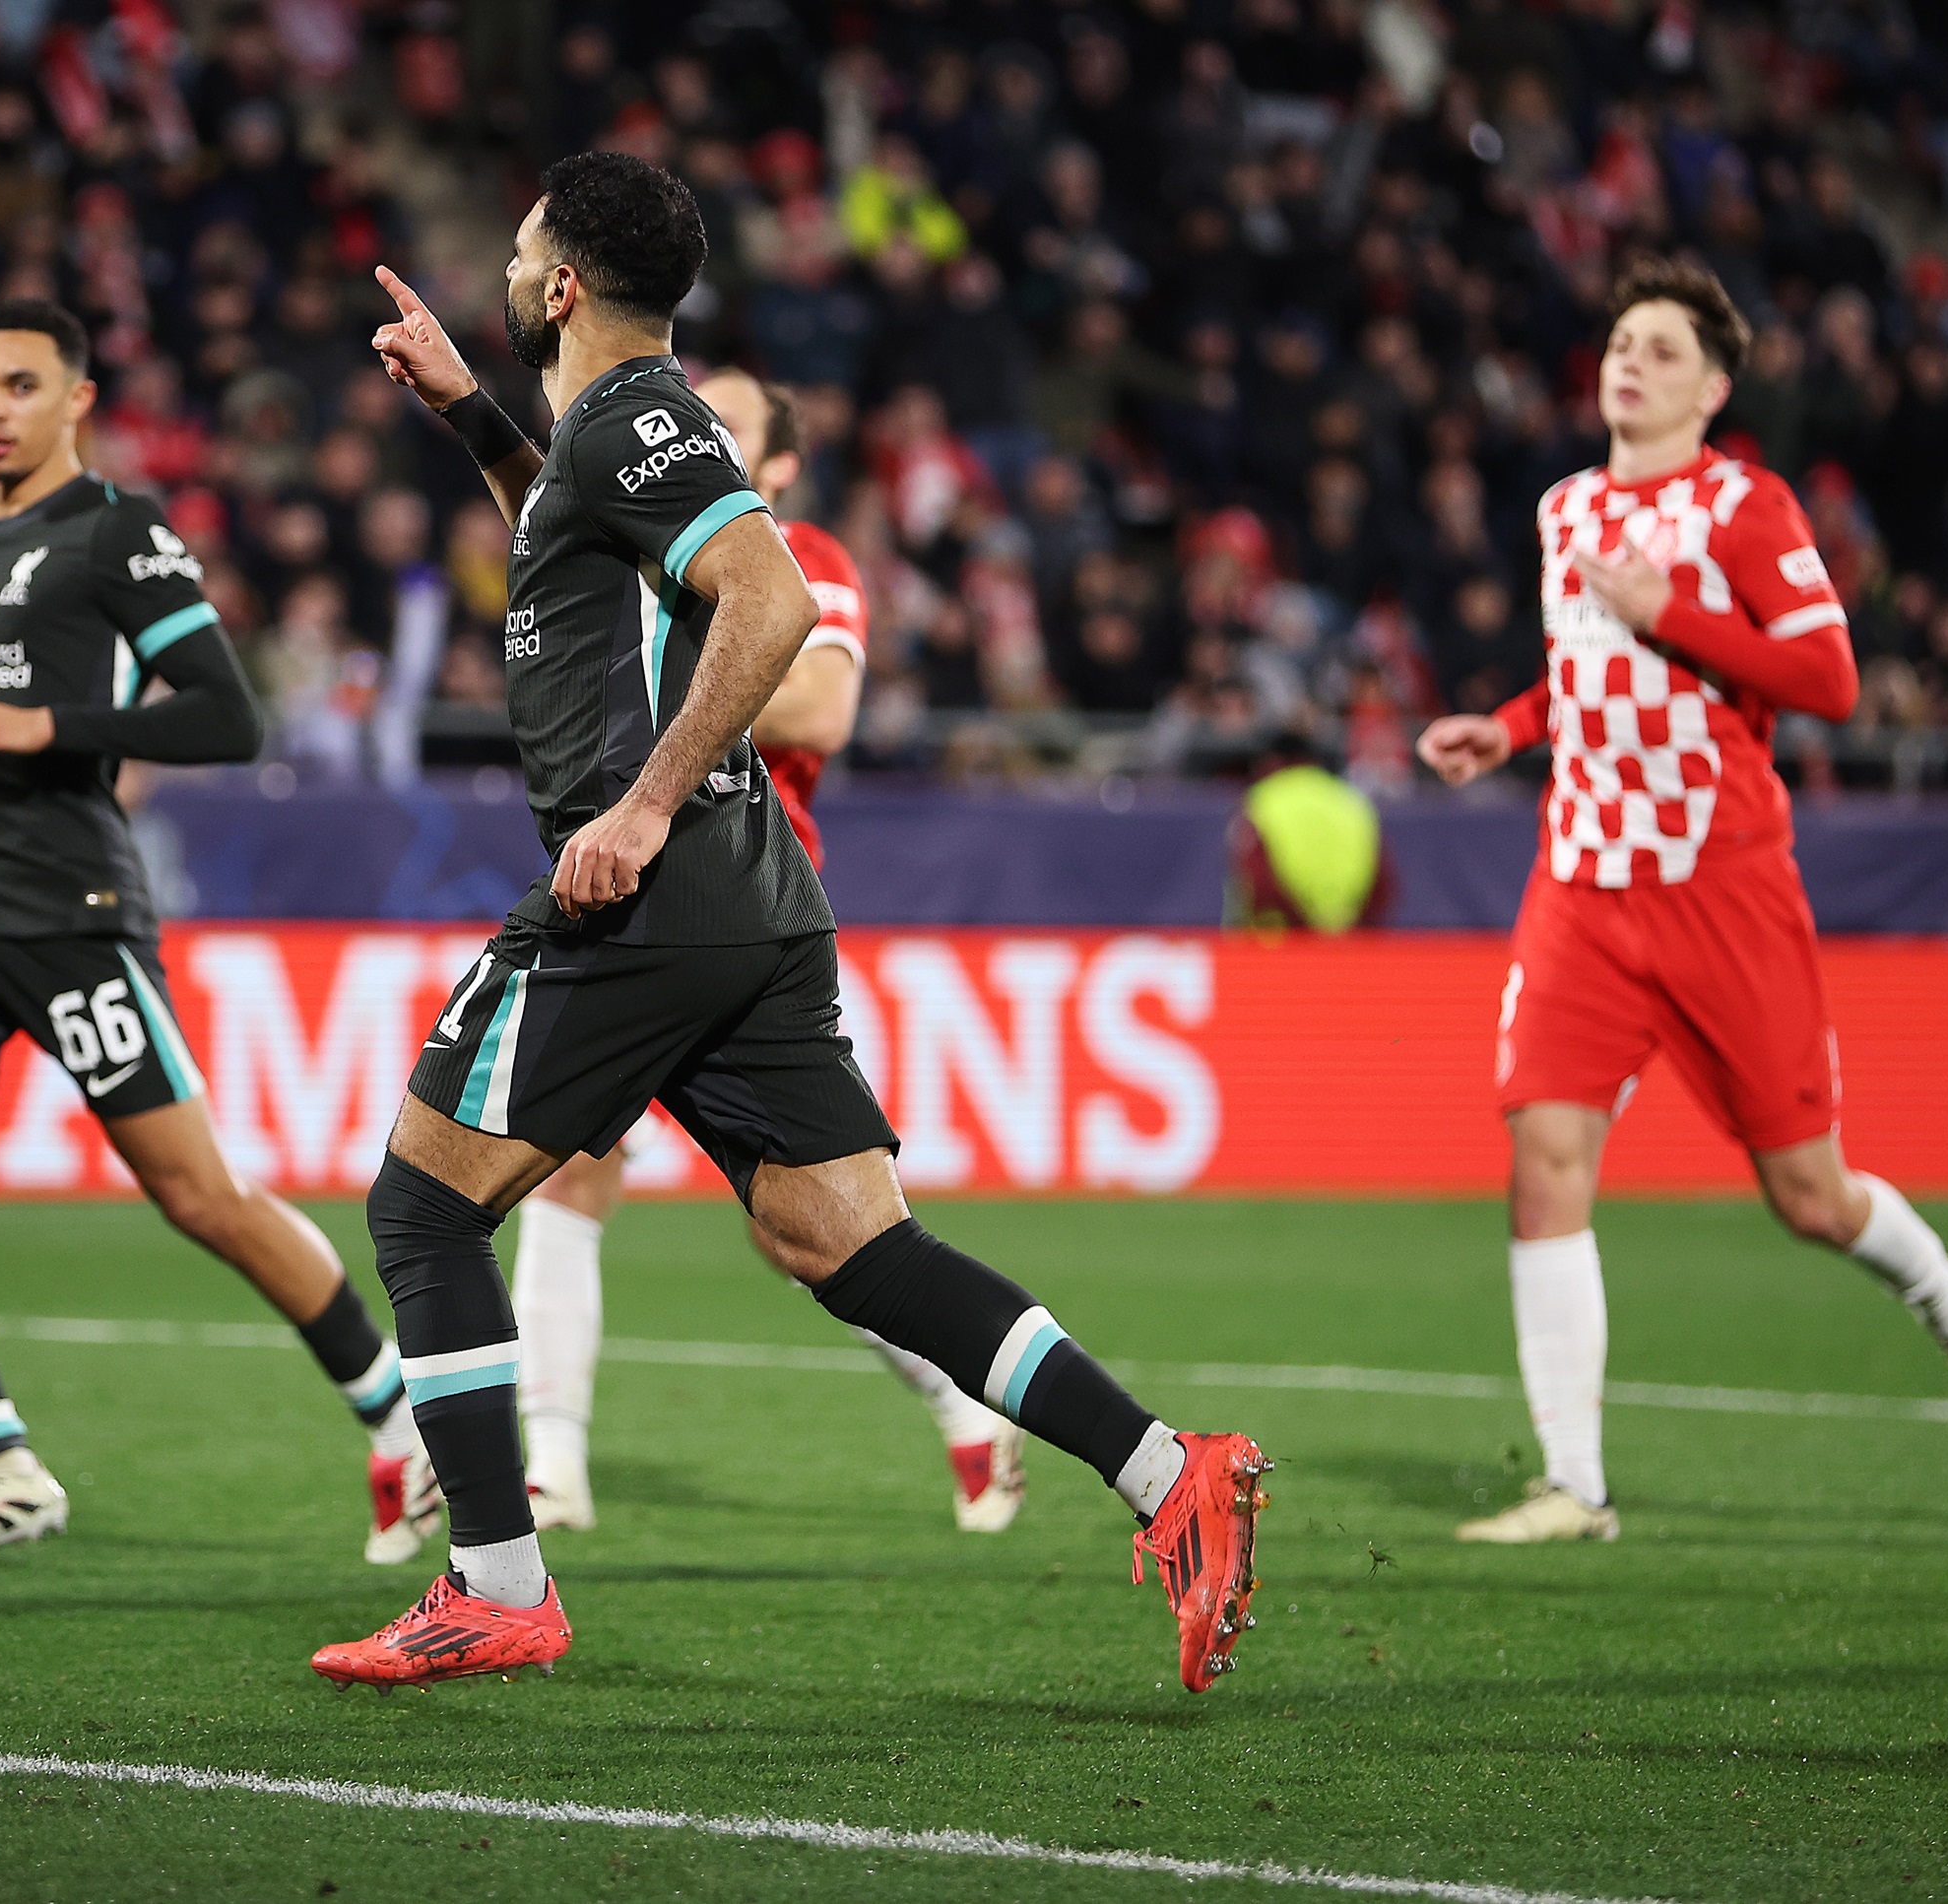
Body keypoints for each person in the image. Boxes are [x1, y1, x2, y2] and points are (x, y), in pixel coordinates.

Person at [309, 152, 1269, 1695]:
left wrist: (635, 806)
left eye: (518, 245)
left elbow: (770, 601)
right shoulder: (598, 436)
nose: (500, 263)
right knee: (845, 1240)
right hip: (750, 896)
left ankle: (494, 1579)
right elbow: (590, 555)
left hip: (652, 886)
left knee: (424, 1208)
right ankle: (1171, 1474)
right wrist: (465, 412)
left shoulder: (632, 419)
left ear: (561, 284)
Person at [1414, 257, 1948, 1545]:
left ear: (1713, 385)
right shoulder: (1560, 509)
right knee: (1543, 1158)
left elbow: (1826, 680)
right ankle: (1571, 1486)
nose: (1625, 362)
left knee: (1806, 1195)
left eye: (1657, 348)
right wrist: (1514, 725)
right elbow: (1585, 671)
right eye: (1617, 342)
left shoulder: (1742, 510)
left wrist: (1675, 610)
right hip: (1582, 885)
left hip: (1721, 889)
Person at [0, 297, 440, 1569]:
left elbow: (227, 716)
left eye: (17, 385)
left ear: (76, 401)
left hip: (68, 911)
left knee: (198, 1193)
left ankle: (404, 1424)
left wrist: (44, 730)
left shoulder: (117, 533)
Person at [507, 367, 1028, 1540]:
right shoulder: (643, 544)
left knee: (800, 1229)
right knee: (566, 1164)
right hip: (636, 889)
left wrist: (682, 653)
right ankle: (553, 1461)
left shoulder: (804, 559)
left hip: (748, 895)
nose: (689, 437)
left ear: (779, 468)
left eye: (726, 428)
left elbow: (823, 710)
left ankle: (964, 1403)